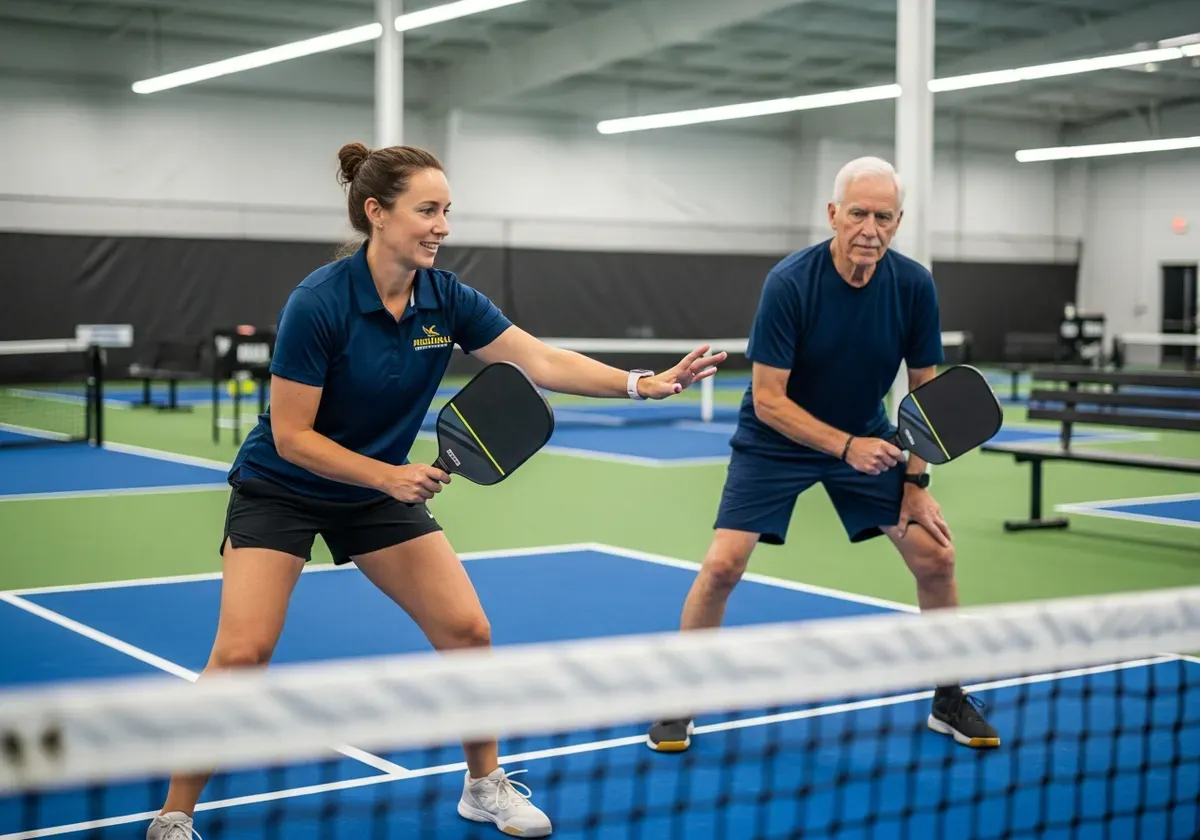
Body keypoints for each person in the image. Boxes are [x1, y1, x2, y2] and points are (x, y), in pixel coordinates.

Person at [146, 142, 727, 840]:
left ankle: (484, 784)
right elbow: (294, 435)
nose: (442, 226)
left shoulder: (446, 300)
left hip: (375, 495)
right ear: (376, 212)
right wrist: (387, 475)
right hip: (284, 488)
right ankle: (174, 813)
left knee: (467, 630)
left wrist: (642, 382)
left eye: (447, 211)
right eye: (427, 210)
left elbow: (536, 358)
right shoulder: (319, 303)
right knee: (243, 652)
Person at [645, 156, 999, 755]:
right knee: (723, 565)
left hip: (869, 437)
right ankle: (680, 698)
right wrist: (844, 447)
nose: (870, 228)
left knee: (936, 556)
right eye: (858, 213)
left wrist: (916, 481)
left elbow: (925, 393)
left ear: (898, 221)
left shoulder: (912, 285)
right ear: (833, 214)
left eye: (883, 217)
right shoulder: (791, 282)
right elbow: (767, 399)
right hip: (775, 442)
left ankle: (948, 697)